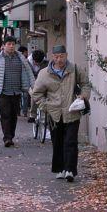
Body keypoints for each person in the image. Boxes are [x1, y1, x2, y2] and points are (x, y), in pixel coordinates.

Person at [30, 44, 87, 181]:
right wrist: (45, 106)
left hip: (72, 110)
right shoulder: (44, 73)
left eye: (62, 56)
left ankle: (70, 170)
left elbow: (86, 84)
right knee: (58, 142)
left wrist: (83, 96)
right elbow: (37, 94)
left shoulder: (75, 69)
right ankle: (60, 169)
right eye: (56, 57)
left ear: (66, 55)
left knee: (71, 141)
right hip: (54, 112)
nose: (59, 59)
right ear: (52, 57)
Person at [0, 36, 35, 147]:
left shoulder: (21, 58)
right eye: (9, 44)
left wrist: (34, 86)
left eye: (13, 44)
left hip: (16, 91)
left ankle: (11, 135)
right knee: (5, 114)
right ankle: (7, 138)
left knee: (14, 115)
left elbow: (29, 73)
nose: (11, 46)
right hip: (2, 91)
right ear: (4, 46)